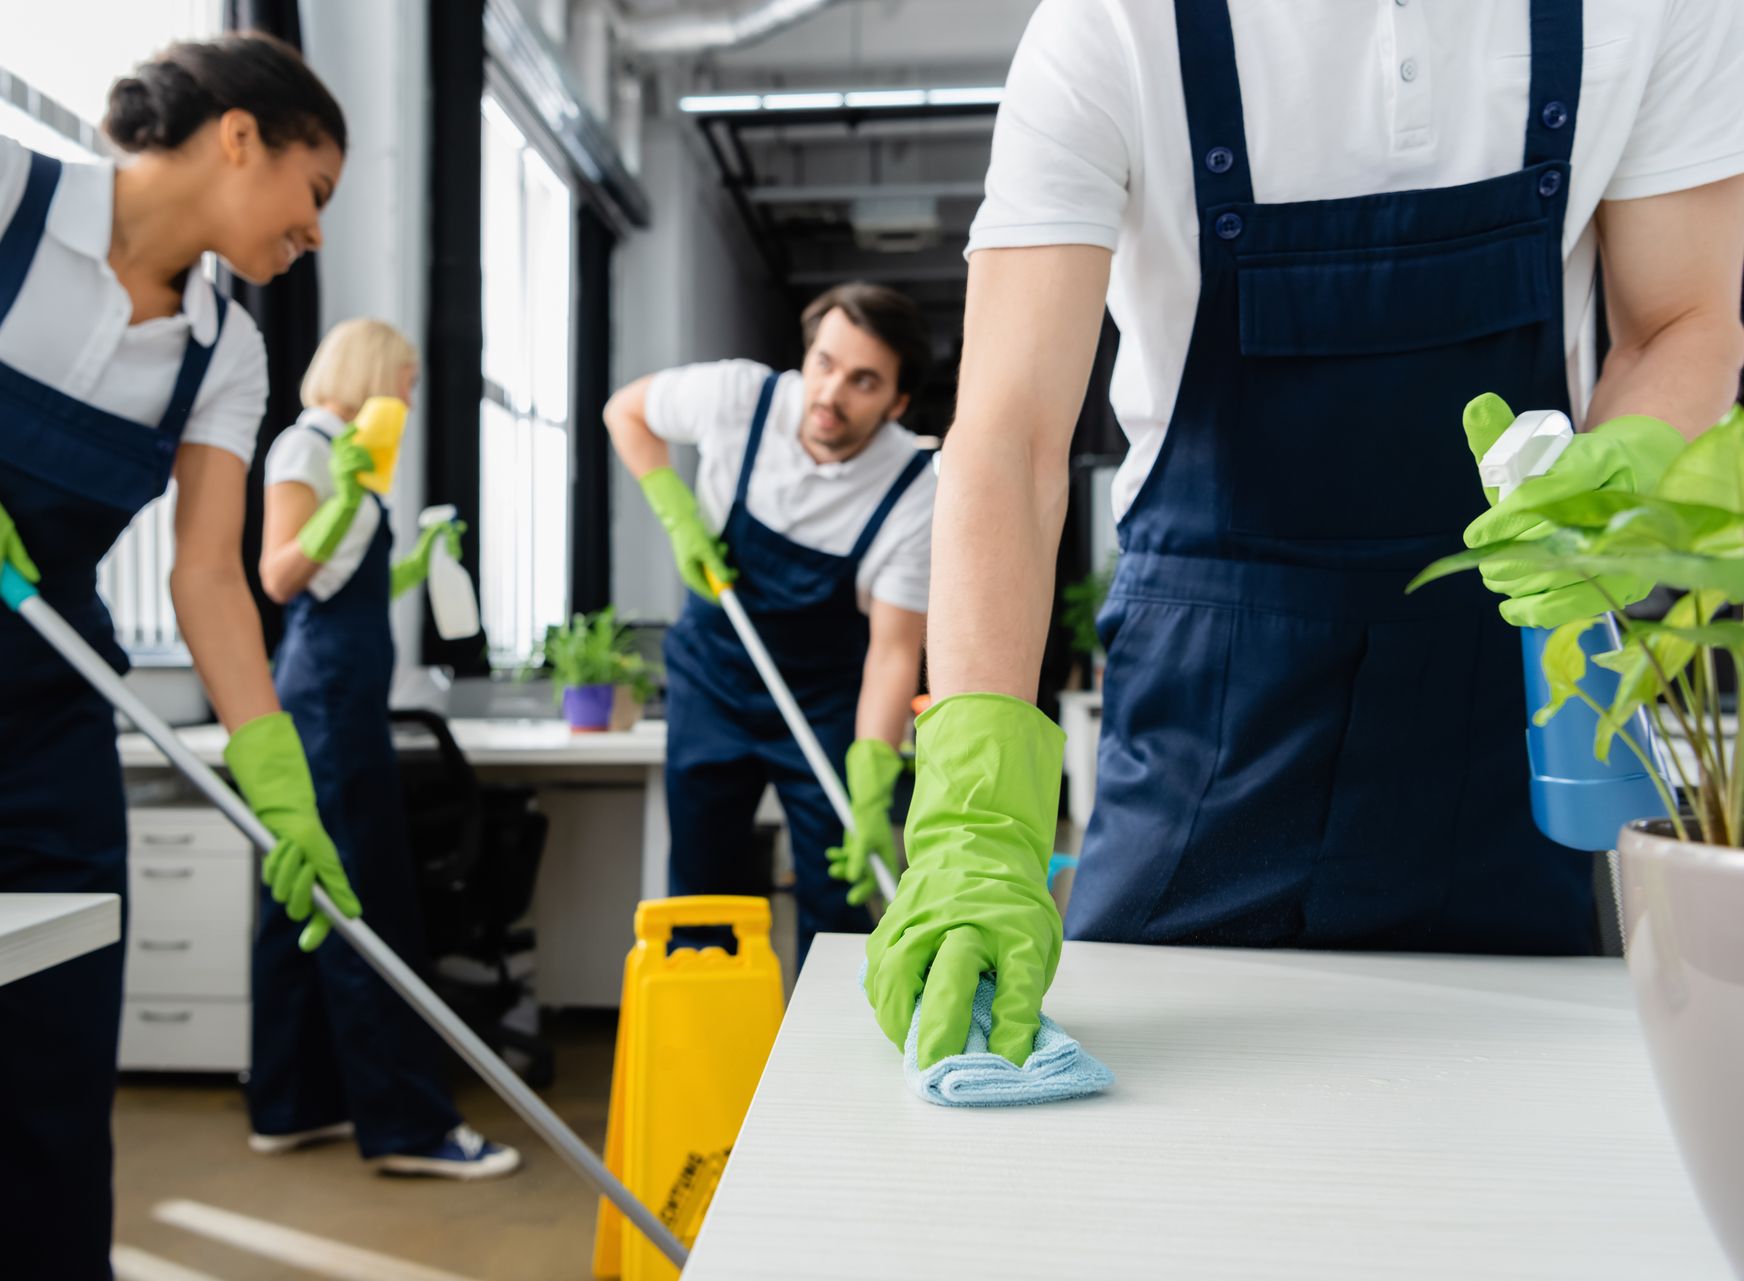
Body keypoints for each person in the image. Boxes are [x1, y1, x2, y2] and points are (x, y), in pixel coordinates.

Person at [866, 0, 1744, 1070]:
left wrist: (1613, 490)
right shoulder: (1113, 28)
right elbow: (1006, 439)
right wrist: (975, 817)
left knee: (1513, 1127)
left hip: (1499, 699)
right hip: (1209, 713)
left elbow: (1681, 321)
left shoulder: (1653, 12)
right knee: (1145, 1155)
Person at [0, 34, 362, 1279]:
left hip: (47, 701)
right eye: (314, 192)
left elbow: (209, 580)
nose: (315, 234)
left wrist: (276, 779)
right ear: (240, 135)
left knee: (50, 1064)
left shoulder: (226, 348)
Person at [252, 317, 518, 1178]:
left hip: (341, 691)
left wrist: (420, 559)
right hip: (325, 699)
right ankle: (409, 1124)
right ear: (371, 370)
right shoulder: (307, 449)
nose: (408, 394)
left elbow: (352, 587)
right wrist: (341, 499)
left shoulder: (350, 458)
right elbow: (282, 574)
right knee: (366, 898)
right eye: (404, 377)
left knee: (308, 902)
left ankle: (294, 1103)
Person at [606, 283, 935, 962]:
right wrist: (674, 507)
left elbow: (893, 650)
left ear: (898, 402)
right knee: (702, 887)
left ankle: (830, 1060)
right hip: (712, 679)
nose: (830, 393)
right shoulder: (739, 397)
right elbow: (626, 412)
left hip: (824, 699)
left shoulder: (915, 487)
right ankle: (709, 1054)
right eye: (824, 363)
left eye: (863, 381)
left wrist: (875, 768)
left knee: (837, 893)